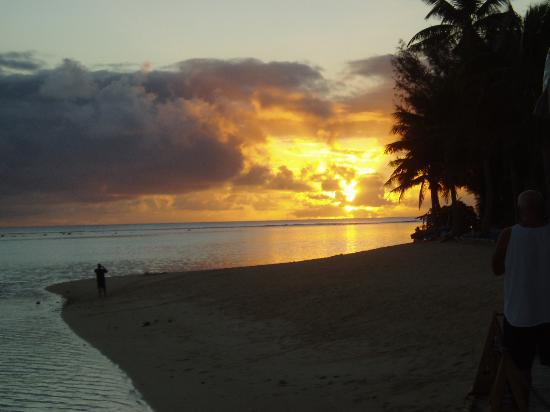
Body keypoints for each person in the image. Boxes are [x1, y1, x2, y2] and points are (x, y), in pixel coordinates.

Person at [492, 190, 550, 391]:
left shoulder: (508, 235)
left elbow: (496, 269)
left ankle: (524, 403)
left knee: (521, 370)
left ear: (519, 211)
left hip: (519, 315)